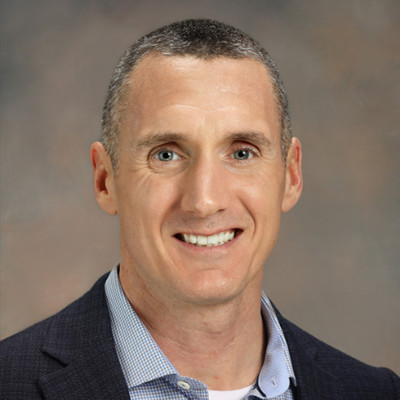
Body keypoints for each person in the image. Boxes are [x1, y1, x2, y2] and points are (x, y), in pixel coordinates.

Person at [1, 19, 399, 400]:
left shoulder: (375, 393)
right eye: (166, 154)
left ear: (291, 176)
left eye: (242, 153)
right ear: (105, 181)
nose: (205, 200)